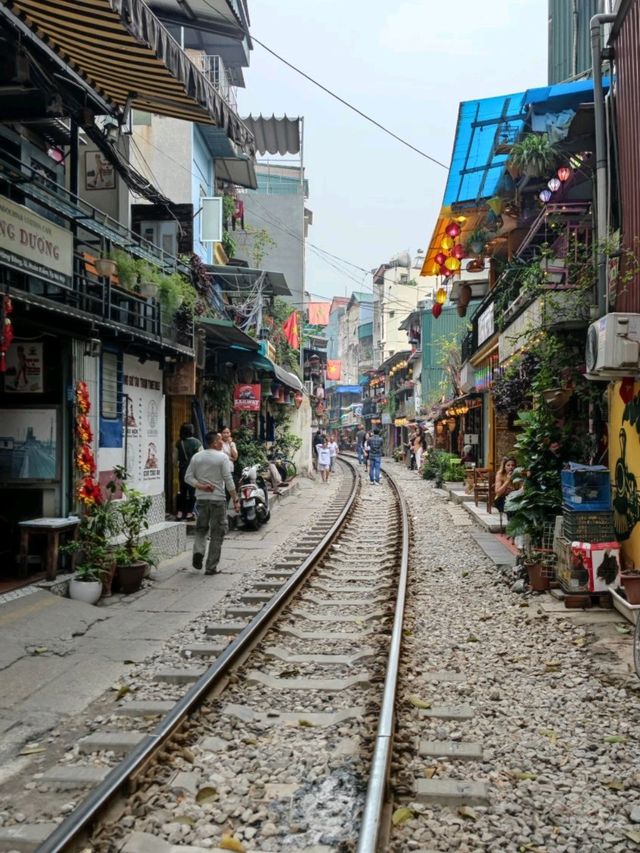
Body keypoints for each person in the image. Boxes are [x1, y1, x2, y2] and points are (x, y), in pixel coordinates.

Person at [184, 431, 240, 574]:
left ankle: (198, 552)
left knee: (201, 529)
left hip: (201, 500)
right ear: (214, 442)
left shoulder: (197, 457)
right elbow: (228, 479)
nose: (223, 442)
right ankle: (211, 567)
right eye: (220, 440)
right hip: (218, 500)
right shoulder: (222, 458)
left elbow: (188, 477)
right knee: (217, 533)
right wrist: (235, 498)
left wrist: (201, 486)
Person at [174, 423, 202, 521]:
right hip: (194, 471)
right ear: (191, 430)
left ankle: (180, 513)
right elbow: (201, 458)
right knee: (192, 492)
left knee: (182, 491)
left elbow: (174, 459)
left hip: (182, 470)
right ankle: (190, 513)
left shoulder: (179, 442)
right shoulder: (197, 442)